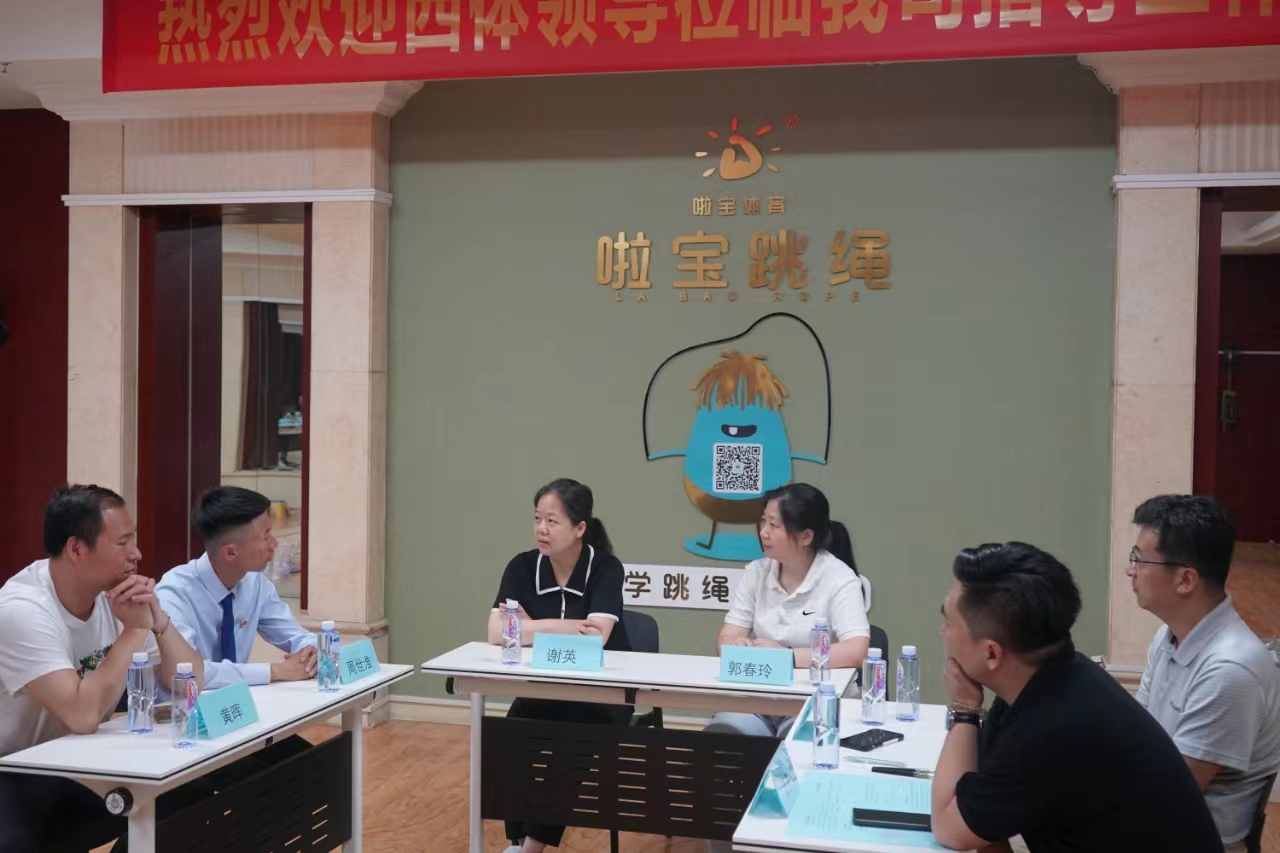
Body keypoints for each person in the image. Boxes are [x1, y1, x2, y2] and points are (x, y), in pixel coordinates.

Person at [930, 541, 1224, 853]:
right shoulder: (1054, 675)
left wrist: (965, 708)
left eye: (948, 622)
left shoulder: (1051, 728)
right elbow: (981, 808)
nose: (941, 631)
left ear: (992, 653)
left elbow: (950, 829)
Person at [0, 485, 205, 852]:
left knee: (182, 797)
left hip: (75, 760)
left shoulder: (116, 598)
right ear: (76, 549)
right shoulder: (22, 609)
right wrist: (135, 629)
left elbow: (189, 685)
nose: (137, 554)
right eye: (123, 543)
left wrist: (158, 621)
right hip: (13, 770)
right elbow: (81, 715)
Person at [487, 478, 632, 853]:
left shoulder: (606, 568)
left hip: (601, 696)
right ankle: (518, 840)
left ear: (580, 528)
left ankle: (530, 849)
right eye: (537, 518)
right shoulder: (521, 567)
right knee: (505, 741)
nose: (541, 529)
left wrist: (528, 626)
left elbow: (595, 637)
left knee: (571, 747)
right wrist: (561, 626)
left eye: (552, 521)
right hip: (545, 690)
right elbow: (495, 632)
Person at [1129, 495, 1280, 852]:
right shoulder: (1168, 636)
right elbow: (1140, 736)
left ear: (1185, 579)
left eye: (1140, 559)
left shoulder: (1230, 670)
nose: (1130, 571)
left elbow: (1169, 793)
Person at [710, 483, 869, 739]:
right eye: (764, 522)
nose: (763, 532)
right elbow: (727, 635)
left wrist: (785, 657)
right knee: (724, 734)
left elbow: (857, 650)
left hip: (816, 699)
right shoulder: (756, 572)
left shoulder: (839, 579)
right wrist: (735, 644)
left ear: (805, 537)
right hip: (759, 699)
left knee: (797, 742)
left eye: (774, 525)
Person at [157, 486, 318, 689]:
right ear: (231, 553)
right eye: (266, 536)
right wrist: (274, 671)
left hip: (236, 705)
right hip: (180, 706)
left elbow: (295, 635)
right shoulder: (173, 594)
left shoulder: (255, 582)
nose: (274, 544)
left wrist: (310, 651)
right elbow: (187, 672)